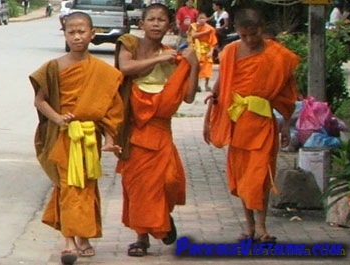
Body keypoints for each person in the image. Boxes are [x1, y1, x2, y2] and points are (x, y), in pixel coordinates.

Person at [29, 11, 124, 265]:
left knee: (86, 187)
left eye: (82, 31)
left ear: (93, 34)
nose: (77, 36)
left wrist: (109, 139)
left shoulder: (102, 72)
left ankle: (84, 237)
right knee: (69, 187)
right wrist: (58, 118)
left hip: (89, 139)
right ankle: (70, 241)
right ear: (65, 34)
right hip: (63, 137)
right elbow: (40, 100)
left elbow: (110, 109)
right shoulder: (53, 67)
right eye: (72, 32)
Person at [203, 7, 299, 243]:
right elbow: (221, 85)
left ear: (262, 28)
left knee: (260, 177)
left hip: (263, 124)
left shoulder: (278, 56)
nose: (249, 40)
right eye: (244, 35)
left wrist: (286, 125)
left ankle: (262, 227)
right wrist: (208, 118)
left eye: (253, 34)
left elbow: (287, 94)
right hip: (237, 124)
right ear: (236, 31)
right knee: (243, 177)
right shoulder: (230, 52)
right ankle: (249, 228)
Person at [114, 3, 199, 257]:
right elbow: (124, 68)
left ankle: (162, 218)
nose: (155, 23)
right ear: (142, 24)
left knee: (169, 181)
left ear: (169, 26)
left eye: (161, 20)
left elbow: (189, 97)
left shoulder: (173, 56)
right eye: (150, 19)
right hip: (135, 131)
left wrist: (193, 65)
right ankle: (141, 239)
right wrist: (159, 58)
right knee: (139, 186)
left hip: (161, 131)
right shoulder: (130, 44)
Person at [188, 11, 217, 92]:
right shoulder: (193, 26)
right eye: (200, 18)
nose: (202, 20)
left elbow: (213, 41)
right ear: (197, 19)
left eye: (203, 18)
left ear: (206, 19)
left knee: (208, 67)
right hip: (197, 49)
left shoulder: (210, 29)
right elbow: (193, 36)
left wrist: (211, 51)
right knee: (197, 68)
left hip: (207, 49)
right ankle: (196, 85)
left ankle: (207, 84)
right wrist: (204, 33)